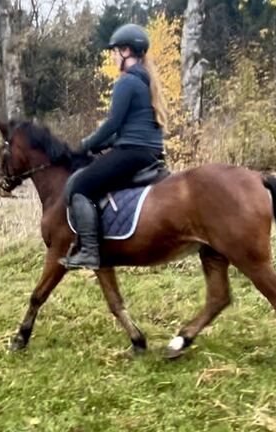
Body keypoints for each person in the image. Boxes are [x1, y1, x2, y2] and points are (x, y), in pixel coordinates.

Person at [59, 23, 169, 271]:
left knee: (79, 186)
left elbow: (112, 124)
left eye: (115, 51)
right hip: (147, 152)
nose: (113, 56)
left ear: (127, 51)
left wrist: (87, 144)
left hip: (132, 153)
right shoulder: (146, 80)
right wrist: (106, 144)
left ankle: (88, 252)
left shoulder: (127, 82)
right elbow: (127, 128)